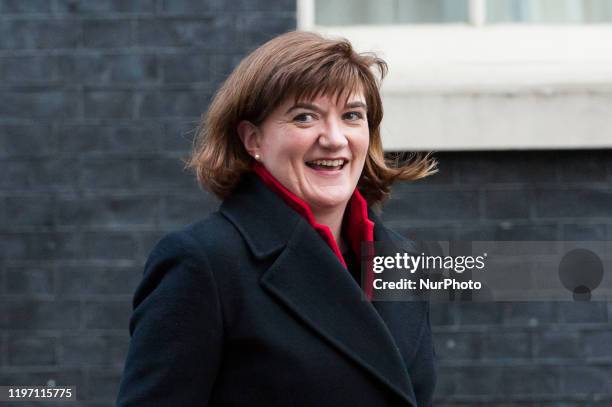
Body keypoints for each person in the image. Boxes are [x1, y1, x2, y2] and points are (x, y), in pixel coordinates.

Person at [116, 30, 438, 407]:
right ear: (253, 140)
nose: (334, 138)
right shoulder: (205, 263)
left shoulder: (401, 259)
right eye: (305, 117)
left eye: (352, 115)